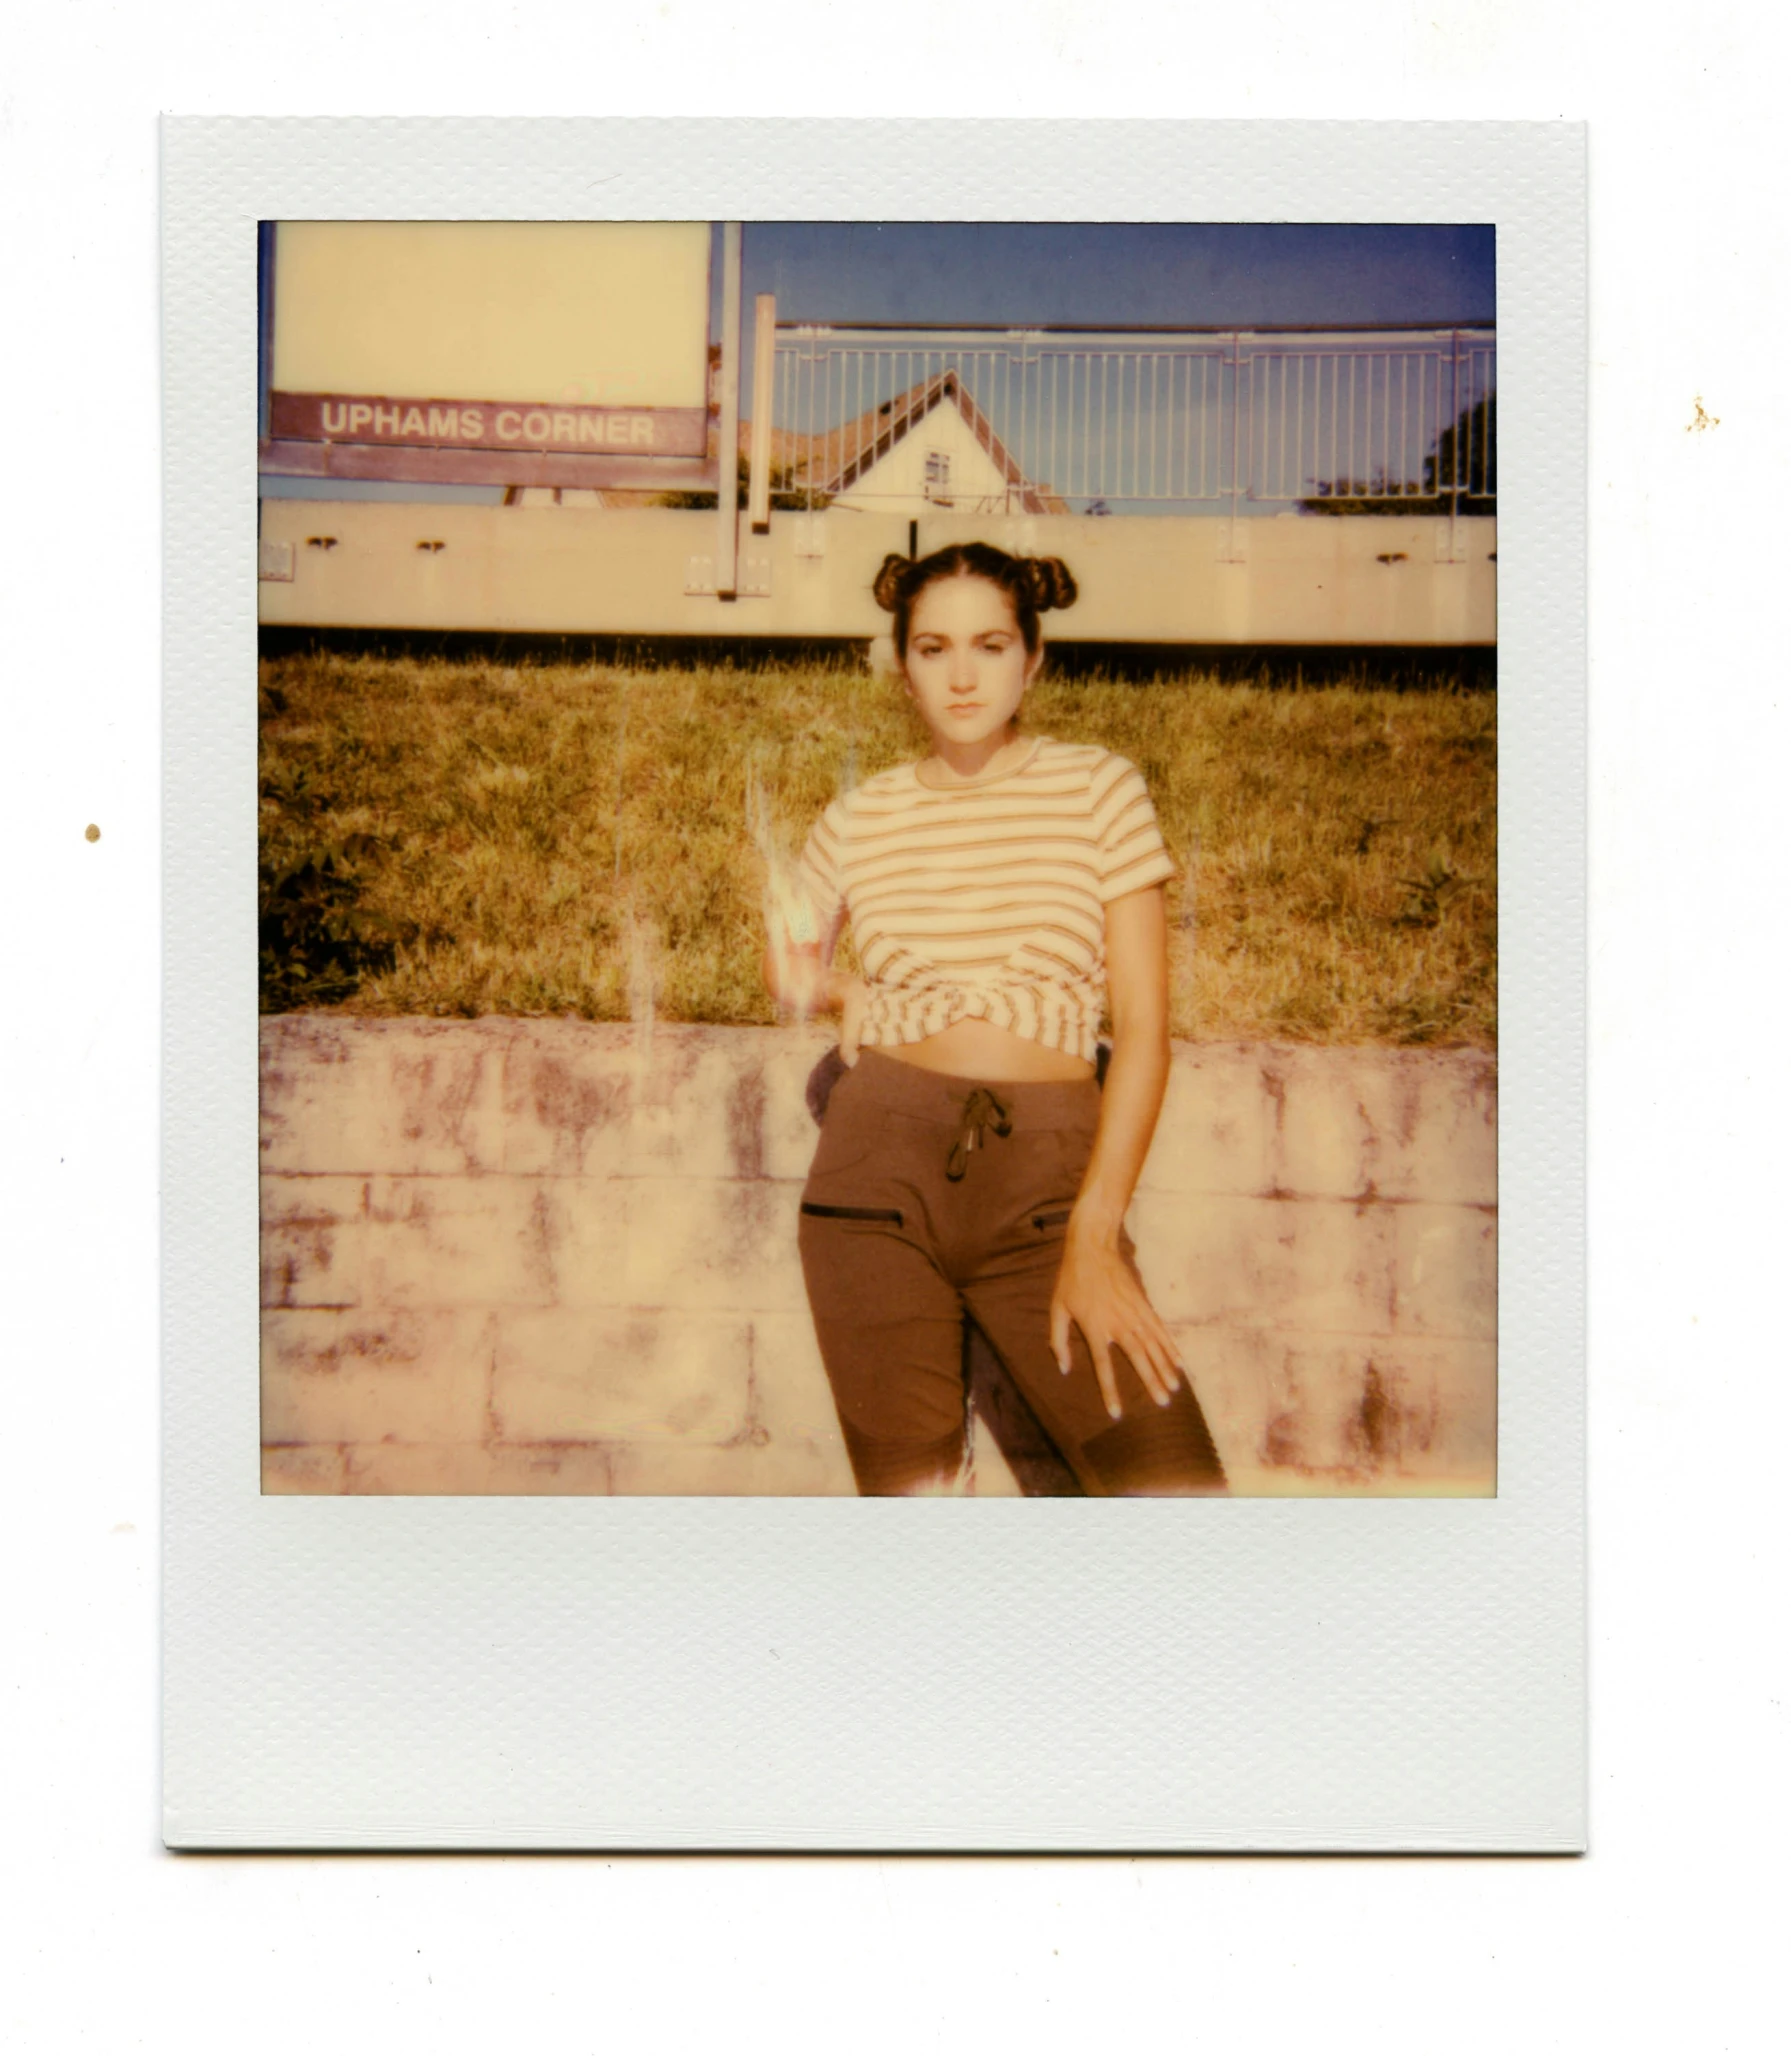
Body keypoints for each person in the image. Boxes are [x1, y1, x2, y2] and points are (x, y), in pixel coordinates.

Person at [764, 542, 1227, 1498]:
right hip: (872, 1182)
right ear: (902, 664)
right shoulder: (857, 816)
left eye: (990, 644)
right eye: (932, 648)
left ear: (1034, 659)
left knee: (1177, 1499)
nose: (962, 674)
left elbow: (1142, 1028)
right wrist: (855, 996)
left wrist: (1094, 1238)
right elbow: (787, 963)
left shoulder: (1100, 788)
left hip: (1049, 1190)